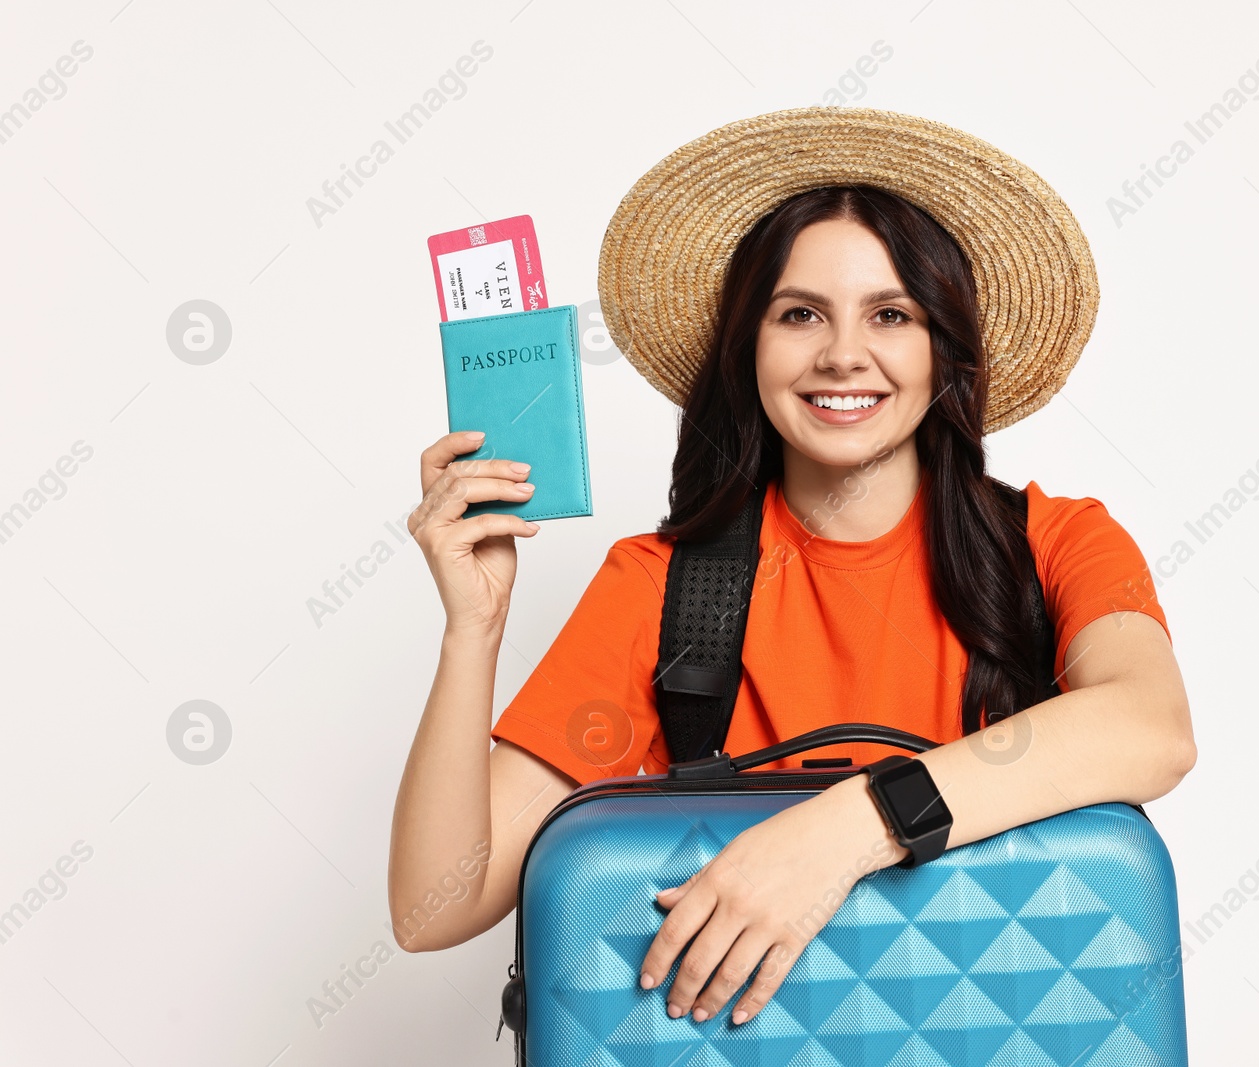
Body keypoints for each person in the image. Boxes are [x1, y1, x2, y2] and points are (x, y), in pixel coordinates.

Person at [388, 108, 1195, 1031]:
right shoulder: (661, 586)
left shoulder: (1057, 542)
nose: (842, 353)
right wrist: (473, 626)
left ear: (945, 353)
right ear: (750, 350)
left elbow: (1153, 728)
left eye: (891, 314)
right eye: (800, 313)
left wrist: (841, 833)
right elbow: (431, 908)